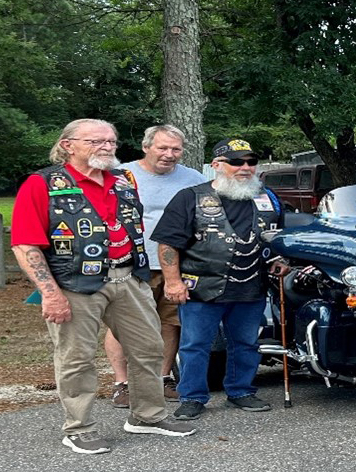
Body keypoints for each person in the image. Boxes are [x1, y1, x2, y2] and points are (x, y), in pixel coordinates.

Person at [11, 119, 196, 454]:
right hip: (73, 283)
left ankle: (147, 416)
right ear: (68, 145)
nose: (107, 147)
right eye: (96, 141)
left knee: (149, 347)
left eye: (111, 141)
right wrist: (51, 294)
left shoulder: (123, 181)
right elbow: (25, 245)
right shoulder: (42, 183)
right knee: (76, 357)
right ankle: (78, 428)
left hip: (128, 277)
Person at [153, 138, 288, 420]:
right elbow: (167, 243)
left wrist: (278, 259)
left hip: (251, 285)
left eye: (250, 162)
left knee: (247, 343)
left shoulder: (267, 197)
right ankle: (192, 396)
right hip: (201, 287)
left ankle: (241, 391)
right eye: (236, 162)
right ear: (216, 165)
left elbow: (275, 235)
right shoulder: (189, 197)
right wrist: (173, 281)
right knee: (195, 345)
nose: (245, 168)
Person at [102, 125, 206, 408]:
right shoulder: (119, 176)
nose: (169, 155)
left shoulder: (193, 178)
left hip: (176, 265)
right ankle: (122, 384)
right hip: (129, 263)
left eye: (176, 149)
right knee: (121, 324)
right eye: (162, 148)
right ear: (146, 147)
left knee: (170, 323)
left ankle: (163, 379)